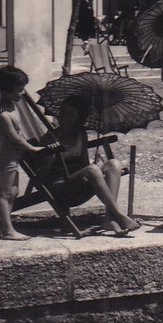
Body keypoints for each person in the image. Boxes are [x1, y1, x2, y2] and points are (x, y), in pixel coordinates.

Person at [40, 95, 140, 236]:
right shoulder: (50, 138)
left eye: (70, 114)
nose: (64, 118)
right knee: (93, 169)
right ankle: (118, 215)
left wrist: (94, 172)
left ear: (79, 118)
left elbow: (84, 165)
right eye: (62, 113)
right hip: (60, 189)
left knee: (114, 164)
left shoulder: (81, 134)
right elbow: (42, 176)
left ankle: (108, 218)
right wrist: (48, 154)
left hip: (76, 184)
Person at [0, 66, 60, 240]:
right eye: (19, 90)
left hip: (14, 155)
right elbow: (15, 138)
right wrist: (33, 149)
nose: (22, 93)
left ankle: (5, 226)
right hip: (7, 157)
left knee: (13, 192)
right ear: (6, 90)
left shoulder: (11, 106)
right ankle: (7, 231)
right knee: (6, 193)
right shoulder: (3, 113)